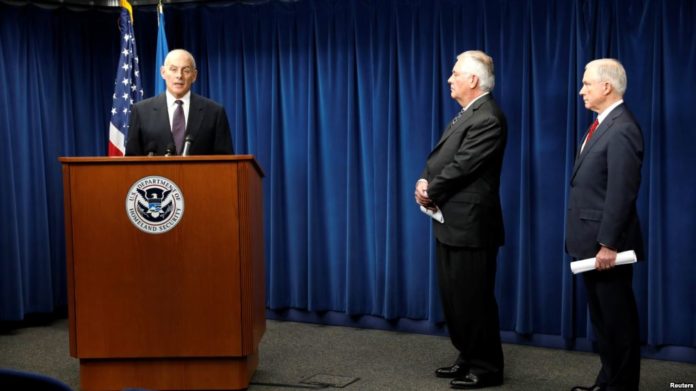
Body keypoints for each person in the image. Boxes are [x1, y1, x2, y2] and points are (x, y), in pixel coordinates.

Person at [414, 50, 506, 389]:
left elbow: (464, 166)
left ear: (473, 80)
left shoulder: (488, 117)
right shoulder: (466, 114)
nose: (450, 79)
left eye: (455, 74)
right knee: (455, 297)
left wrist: (430, 189)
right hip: (451, 222)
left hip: (472, 226)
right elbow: (440, 157)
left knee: (474, 298)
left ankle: (486, 367)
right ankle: (467, 355)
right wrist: (425, 180)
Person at [566, 59, 644, 391]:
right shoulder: (601, 124)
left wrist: (609, 243)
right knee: (603, 322)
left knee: (617, 322)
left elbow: (621, 193)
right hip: (591, 244)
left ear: (606, 87)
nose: (581, 89)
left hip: (607, 247)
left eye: (586, 83)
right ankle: (608, 381)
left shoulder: (623, 127)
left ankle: (621, 386)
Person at [125, 49, 233, 156]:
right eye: (173, 69)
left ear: (194, 75)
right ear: (163, 72)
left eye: (186, 70)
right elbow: (131, 160)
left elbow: (225, 161)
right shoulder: (141, 111)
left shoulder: (214, 112)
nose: (179, 76)